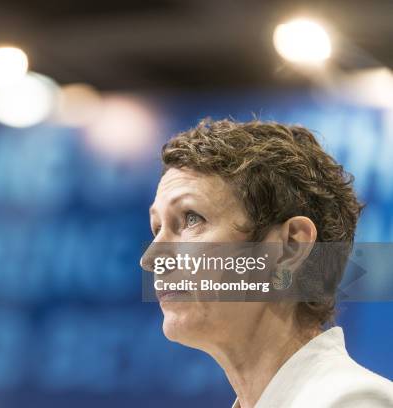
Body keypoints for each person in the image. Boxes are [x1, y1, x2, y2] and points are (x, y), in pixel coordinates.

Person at [142, 119, 393, 408]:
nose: (150, 259)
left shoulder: (351, 402)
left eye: (191, 219)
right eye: (156, 228)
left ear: (290, 247)